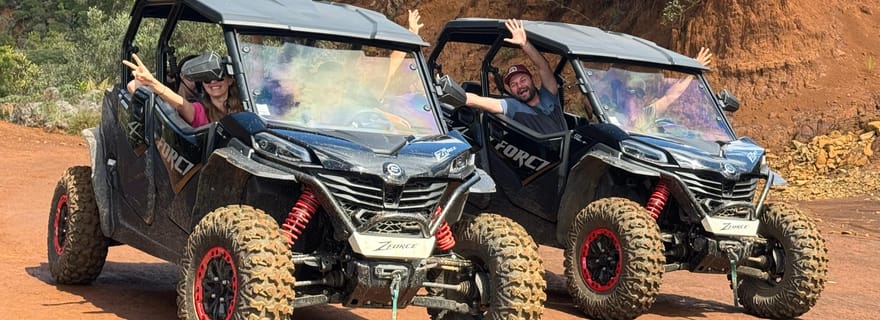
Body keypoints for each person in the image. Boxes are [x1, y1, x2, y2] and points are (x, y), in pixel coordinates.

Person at [464, 19, 567, 134]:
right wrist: (454, 93)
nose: (520, 86)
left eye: (523, 80)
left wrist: (525, 44)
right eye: (513, 84)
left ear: (531, 79)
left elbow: (543, 67)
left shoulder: (549, 94)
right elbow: (479, 101)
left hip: (570, 147)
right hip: (543, 151)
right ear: (510, 90)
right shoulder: (514, 106)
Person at [123, 53, 243, 128]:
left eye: (219, 76)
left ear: (230, 80)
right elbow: (181, 104)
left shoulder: (245, 106)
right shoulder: (199, 111)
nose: (213, 82)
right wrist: (151, 82)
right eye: (207, 78)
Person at [616, 47, 712, 129]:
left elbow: (670, 95)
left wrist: (692, 69)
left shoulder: (639, 115)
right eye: (631, 93)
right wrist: (693, 69)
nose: (633, 100)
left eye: (637, 94)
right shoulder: (643, 117)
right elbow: (671, 96)